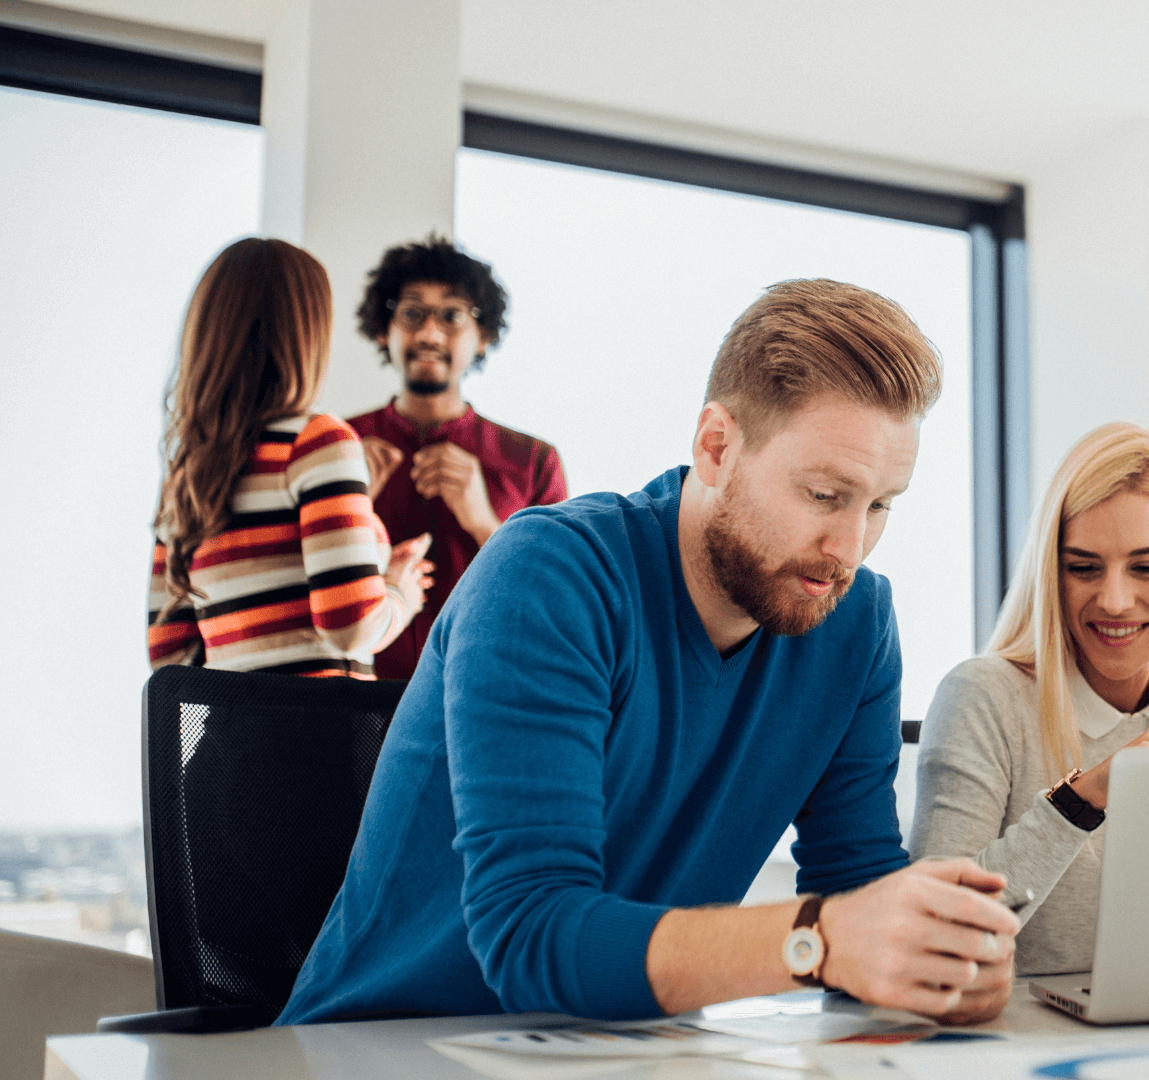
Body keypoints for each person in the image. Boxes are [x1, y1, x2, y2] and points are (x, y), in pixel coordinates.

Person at [279, 279, 1019, 1027]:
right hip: (381, 1047)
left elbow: (859, 886)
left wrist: (933, 963)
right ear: (717, 447)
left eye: (881, 504)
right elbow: (528, 935)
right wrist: (817, 941)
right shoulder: (548, 575)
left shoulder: (856, 623)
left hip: (627, 1053)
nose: (850, 548)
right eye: (825, 496)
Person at [910, 422, 1149, 977]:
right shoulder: (984, 698)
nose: (1115, 600)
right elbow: (932, 935)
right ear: (1051, 570)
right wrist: (1084, 797)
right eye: (1083, 568)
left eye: (1148, 567)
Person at [147, 238, 433, 678]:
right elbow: (350, 627)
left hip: (230, 745)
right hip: (324, 742)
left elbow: (167, 653)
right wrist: (399, 591)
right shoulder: (317, 442)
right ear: (305, 335)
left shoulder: (186, 476)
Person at [345, 235, 568, 680]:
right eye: (411, 313)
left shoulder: (534, 462)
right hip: (351, 706)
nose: (429, 333)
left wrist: (484, 521)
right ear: (382, 329)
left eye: (451, 316)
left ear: (482, 336)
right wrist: (348, 507)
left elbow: (559, 601)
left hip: (484, 697)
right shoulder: (338, 445)